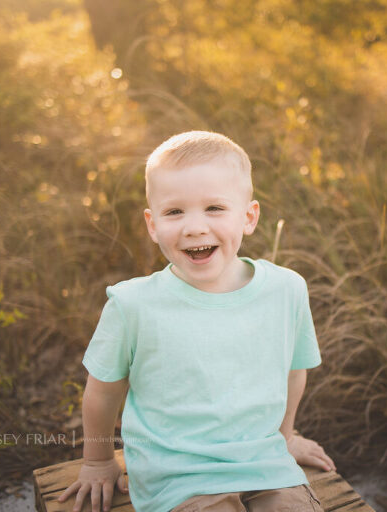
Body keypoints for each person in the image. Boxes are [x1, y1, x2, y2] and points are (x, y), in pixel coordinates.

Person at [57, 131, 335, 512]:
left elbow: (294, 370)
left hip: (265, 464)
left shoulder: (286, 289)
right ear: (153, 225)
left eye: (215, 208)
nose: (194, 227)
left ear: (249, 217)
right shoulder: (133, 304)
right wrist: (98, 461)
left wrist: (284, 437)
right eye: (175, 212)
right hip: (179, 476)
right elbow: (102, 391)